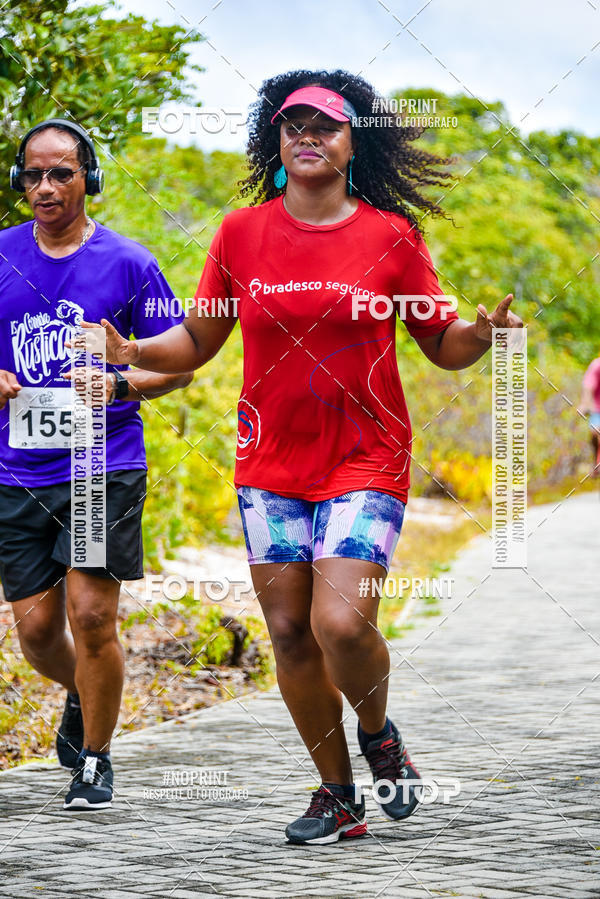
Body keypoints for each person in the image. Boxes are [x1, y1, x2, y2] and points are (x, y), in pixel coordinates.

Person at [84, 71, 523, 843]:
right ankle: (337, 794)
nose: (308, 135)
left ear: (355, 141)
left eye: (326, 124)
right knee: (289, 632)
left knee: (341, 624)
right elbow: (198, 339)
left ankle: (380, 735)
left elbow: (440, 341)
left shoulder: (391, 235)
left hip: (366, 456)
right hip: (269, 461)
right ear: (274, 139)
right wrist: (133, 351)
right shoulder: (239, 233)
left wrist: (480, 337)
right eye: (292, 124)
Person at [0, 119, 192, 810]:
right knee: (36, 632)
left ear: (89, 178)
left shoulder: (129, 262)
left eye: (61, 173)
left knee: (90, 616)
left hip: (97, 465)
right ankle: (86, 692)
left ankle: (96, 759)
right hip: (18, 468)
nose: (45, 187)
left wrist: (121, 375)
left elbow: (181, 366)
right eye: (33, 175)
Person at [579, 355, 600, 476]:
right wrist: (584, 404)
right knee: (595, 431)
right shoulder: (596, 366)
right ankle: (595, 462)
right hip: (597, 409)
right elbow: (588, 387)